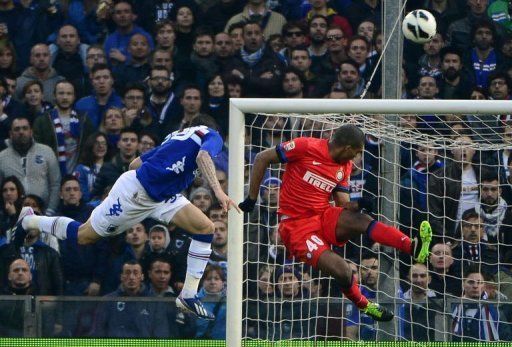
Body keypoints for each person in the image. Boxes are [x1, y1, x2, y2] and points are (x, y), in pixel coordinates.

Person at [14, 114, 239, 320]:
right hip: (136, 194)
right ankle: (30, 220)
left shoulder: (175, 138)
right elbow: (203, 155)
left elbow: (135, 164)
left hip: (160, 194)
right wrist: (218, 191)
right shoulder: (212, 134)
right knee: (84, 236)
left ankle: (188, 295)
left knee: (205, 228)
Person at [239, 124, 433, 322]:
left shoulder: (344, 166)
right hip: (296, 227)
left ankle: (412, 247)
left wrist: (359, 204)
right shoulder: (305, 146)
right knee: (343, 270)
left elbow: (343, 204)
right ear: (347, 148)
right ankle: (364, 305)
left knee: (361, 219)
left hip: (323, 215)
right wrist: (252, 199)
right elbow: (262, 157)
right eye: (357, 152)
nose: (356, 158)